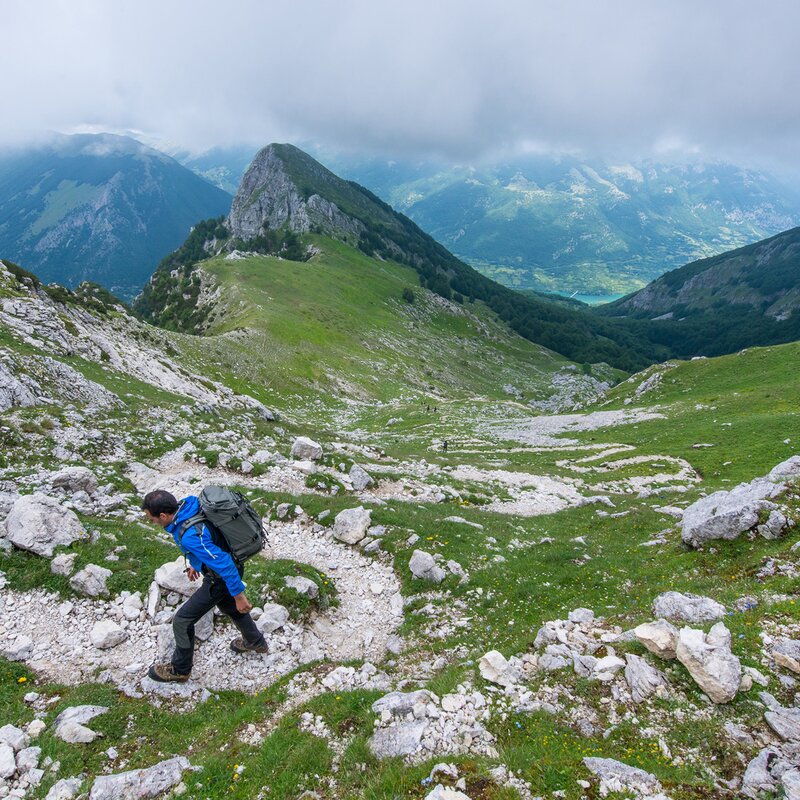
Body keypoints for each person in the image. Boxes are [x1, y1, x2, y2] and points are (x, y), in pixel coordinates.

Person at [141, 489, 267, 682]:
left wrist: (240, 596)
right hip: (228, 568)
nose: (153, 523)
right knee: (228, 607)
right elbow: (208, 540)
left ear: (163, 515)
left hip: (221, 577)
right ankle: (255, 641)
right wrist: (196, 563)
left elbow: (223, 561)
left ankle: (180, 670)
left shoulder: (189, 535)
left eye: (152, 519)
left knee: (182, 621)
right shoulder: (188, 506)